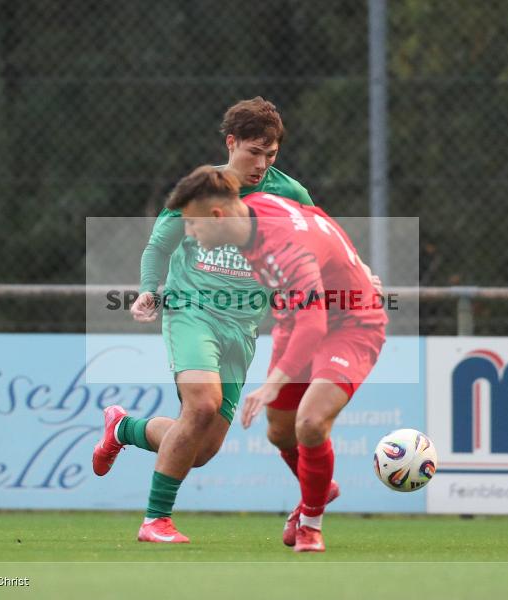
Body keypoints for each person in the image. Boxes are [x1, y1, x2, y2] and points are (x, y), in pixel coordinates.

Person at [91, 97, 343, 544]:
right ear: (231, 143)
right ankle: (155, 521)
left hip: (242, 329)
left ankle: (123, 428)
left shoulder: (291, 195)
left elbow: (324, 241)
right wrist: (150, 287)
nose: (261, 164)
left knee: (202, 448)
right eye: (253, 152)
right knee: (202, 406)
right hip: (191, 312)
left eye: (270, 155)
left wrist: (356, 272)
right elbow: (159, 246)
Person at [165, 165, 387, 552]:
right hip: (294, 319)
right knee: (280, 433)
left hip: (350, 323)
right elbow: (317, 218)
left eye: (191, 225)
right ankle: (321, 487)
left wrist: (271, 384)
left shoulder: (284, 248)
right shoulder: (257, 206)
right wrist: (355, 262)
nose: (189, 233)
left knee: (311, 423)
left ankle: (310, 522)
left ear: (216, 217)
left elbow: (315, 325)